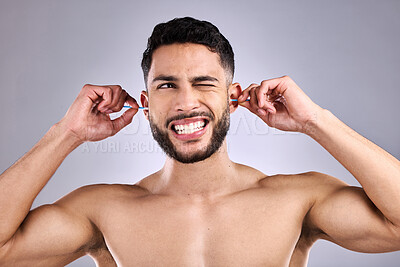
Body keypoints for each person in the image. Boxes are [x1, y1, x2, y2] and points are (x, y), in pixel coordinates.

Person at [0, 17, 399, 267]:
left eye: (204, 83)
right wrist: (65, 134)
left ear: (232, 95)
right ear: (145, 103)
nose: (186, 102)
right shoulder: (103, 210)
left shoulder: (297, 200)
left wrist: (316, 121)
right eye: (167, 85)